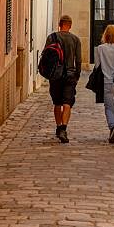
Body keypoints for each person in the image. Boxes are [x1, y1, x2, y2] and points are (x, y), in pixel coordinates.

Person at [45, 14, 81, 144]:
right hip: (70, 75)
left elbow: (46, 56)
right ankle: (64, 129)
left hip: (55, 76)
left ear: (59, 24)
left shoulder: (52, 37)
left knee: (57, 103)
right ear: (70, 26)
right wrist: (77, 75)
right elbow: (79, 59)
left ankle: (59, 126)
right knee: (67, 103)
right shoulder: (75, 39)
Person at [93, 23, 114, 144]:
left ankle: (113, 127)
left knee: (108, 107)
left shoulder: (100, 49)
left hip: (107, 82)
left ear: (105, 35)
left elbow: (97, 66)